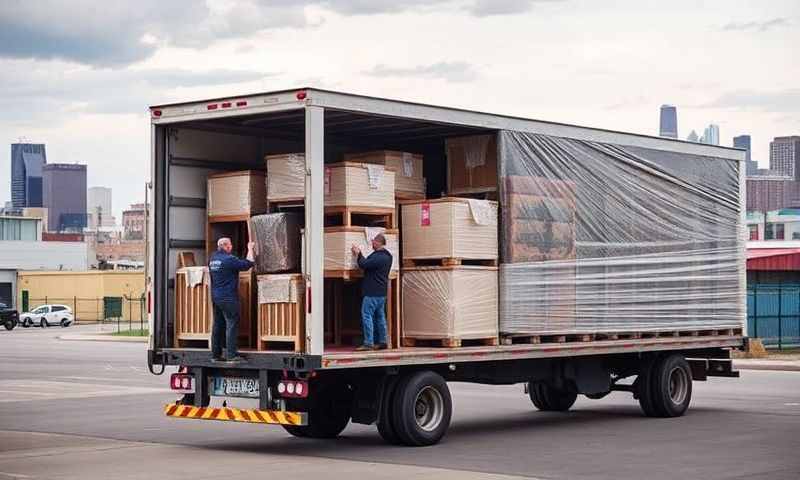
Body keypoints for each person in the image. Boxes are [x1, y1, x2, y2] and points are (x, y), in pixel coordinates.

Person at [209, 237, 255, 363]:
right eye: (230, 245)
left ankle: (215, 355)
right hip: (228, 298)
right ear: (226, 246)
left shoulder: (213, 258)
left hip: (216, 297)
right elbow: (248, 264)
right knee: (232, 324)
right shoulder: (229, 259)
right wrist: (250, 248)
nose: (231, 247)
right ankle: (231, 355)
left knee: (218, 325)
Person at [350, 233, 392, 351]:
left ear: (378, 242)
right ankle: (383, 341)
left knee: (366, 315)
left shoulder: (379, 257)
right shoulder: (388, 256)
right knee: (380, 316)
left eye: (373, 241)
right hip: (381, 292)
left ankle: (368, 343)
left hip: (372, 292)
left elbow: (364, 264)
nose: (372, 243)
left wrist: (358, 253)